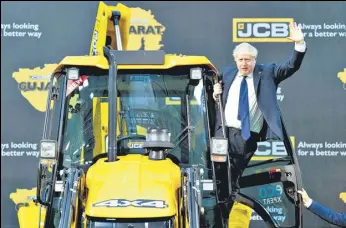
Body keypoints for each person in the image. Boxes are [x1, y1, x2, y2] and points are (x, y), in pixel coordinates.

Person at [212, 22, 307, 226]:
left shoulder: (268, 73)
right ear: (235, 60)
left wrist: (299, 44)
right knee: (216, 180)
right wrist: (214, 94)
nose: (244, 63)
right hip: (221, 134)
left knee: (230, 181)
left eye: (248, 59)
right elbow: (208, 94)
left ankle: (222, 219)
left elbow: (291, 66)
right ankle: (219, 216)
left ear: (255, 60)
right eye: (240, 59)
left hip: (244, 137)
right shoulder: (225, 74)